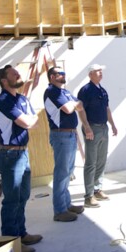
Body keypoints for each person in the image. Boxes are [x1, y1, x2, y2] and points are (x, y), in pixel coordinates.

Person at [0, 65, 42, 252]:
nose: (18, 75)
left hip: (22, 154)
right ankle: (11, 242)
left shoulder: (20, 99)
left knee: (23, 196)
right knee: (12, 200)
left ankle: (21, 234)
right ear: (4, 81)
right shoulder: (3, 101)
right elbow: (29, 123)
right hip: (9, 156)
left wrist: (29, 120)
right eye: (14, 74)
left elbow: (34, 122)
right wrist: (29, 120)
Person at [44, 66, 93, 222]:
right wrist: (74, 104)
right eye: (60, 73)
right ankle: (59, 211)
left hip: (70, 134)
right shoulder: (52, 91)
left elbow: (80, 106)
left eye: (64, 73)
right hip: (61, 135)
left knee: (68, 171)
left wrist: (75, 104)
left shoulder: (64, 92)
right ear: (52, 77)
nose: (64, 75)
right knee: (61, 172)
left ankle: (66, 204)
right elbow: (68, 109)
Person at [78, 64, 117, 208]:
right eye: (98, 71)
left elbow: (107, 109)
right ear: (90, 74)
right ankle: (88, 196)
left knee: (101, 160)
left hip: (103, 128)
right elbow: (80, 109)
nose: (101, 73)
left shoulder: (103, 91)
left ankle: (97, 189)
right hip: (92, 128)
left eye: (101, 71)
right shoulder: (86, 90)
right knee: (91, 162)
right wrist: (87, 127)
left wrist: (112, 124)